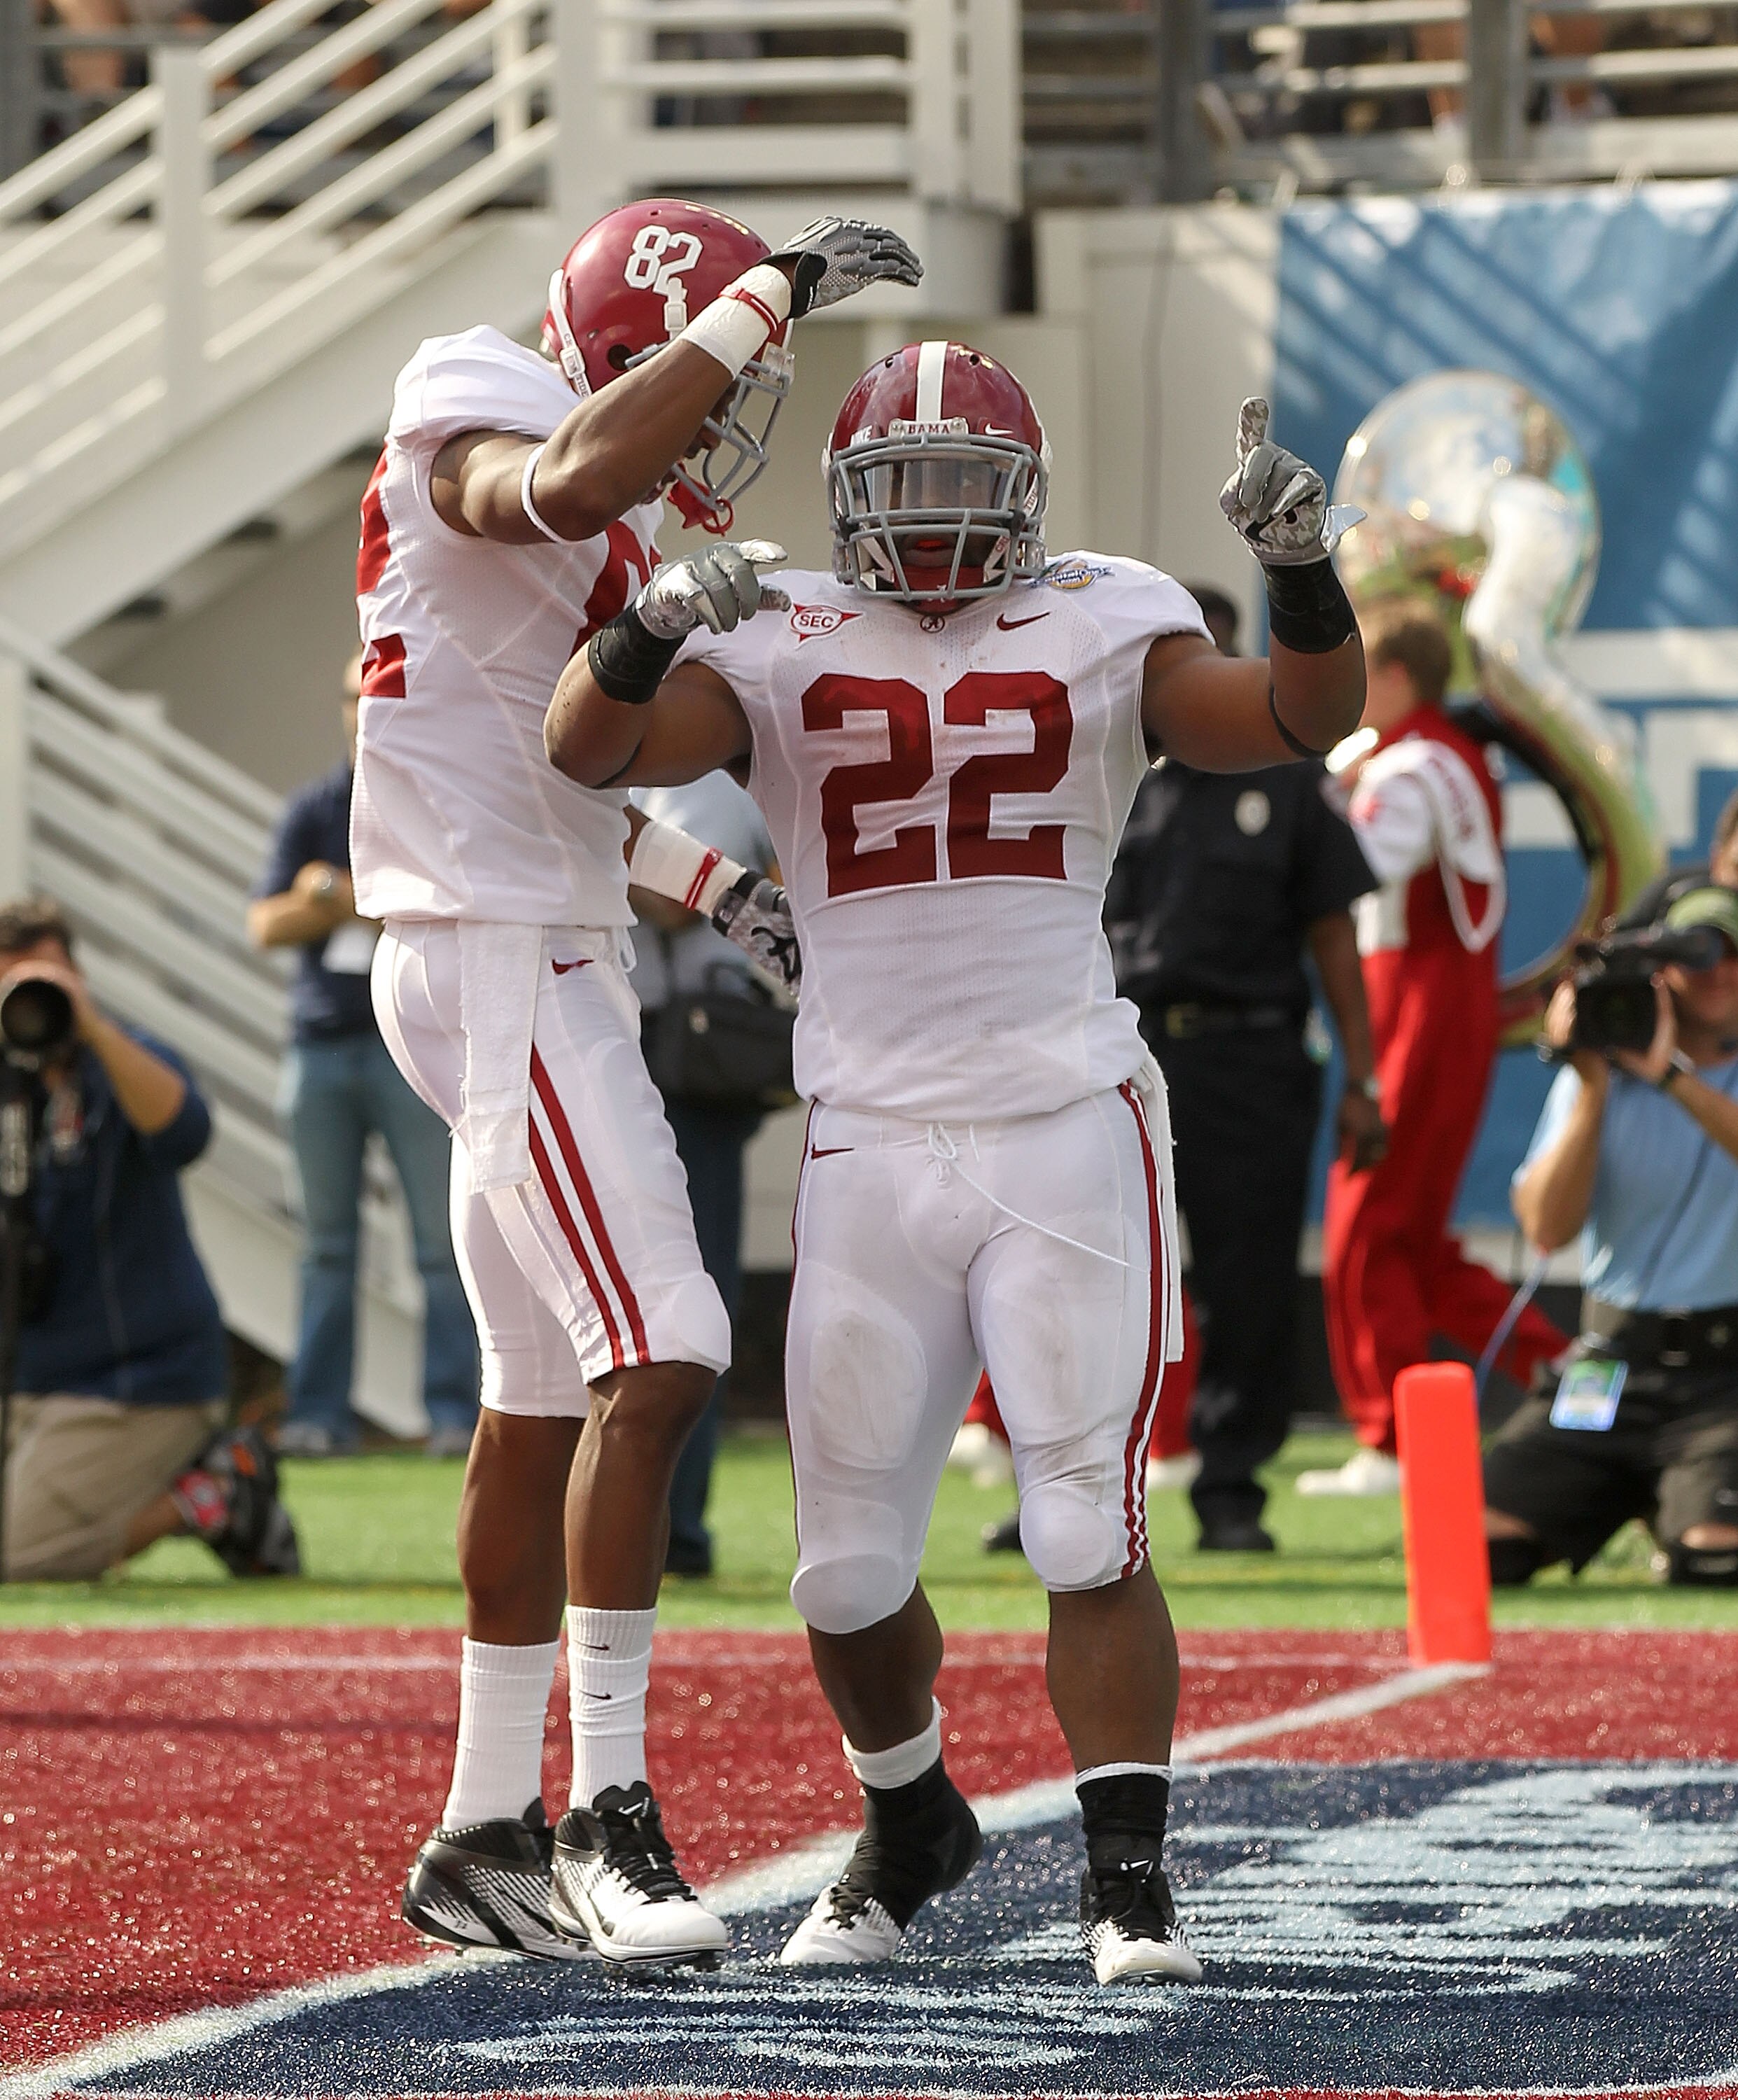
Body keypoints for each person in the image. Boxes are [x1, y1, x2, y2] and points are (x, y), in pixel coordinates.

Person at [545, 352, 1366, 1984]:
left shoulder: (1103, 608)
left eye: (960, 485)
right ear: (847, 501)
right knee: (842, 1572)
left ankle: (1125, 1878)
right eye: (897, 485)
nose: (927, 523)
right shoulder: (773, 625)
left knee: (1080, 1527)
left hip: (1061, 1117)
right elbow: (591, 750)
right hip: (863, 1133)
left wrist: (1299, 574)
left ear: (1025, 495)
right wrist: (641, 621)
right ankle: (910, 1812)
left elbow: (1292, 717)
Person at [358, 197, 920, 1968]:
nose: (717, 421)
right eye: (698, 360)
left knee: (538, 1397)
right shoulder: (474, 388)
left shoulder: (589, 483)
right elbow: (577, 477)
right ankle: (605, 1807)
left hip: (527, 925)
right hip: (495, 948)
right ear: (617, 333)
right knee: (667, 1342)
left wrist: (727, 889)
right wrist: (765, 298)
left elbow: (548, 764)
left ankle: (478, 1826)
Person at [1104, 580, 1382, 1551]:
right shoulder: (1107, 772)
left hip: (1249, 1055)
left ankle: (1229, 1491)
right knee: (1091, 1279)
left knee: (1246, 1282)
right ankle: (1073, 1489)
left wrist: (1362, 1075)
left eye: (1207, 657)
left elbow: (1335, 937)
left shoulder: (1292, 782)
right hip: (1124, 1054)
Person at [1306, 603, 1567, 1496]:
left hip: (1414, 1013)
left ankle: (1390, 1439)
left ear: (1395, 676)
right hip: (1425, 1012)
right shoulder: (1431, 757)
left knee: (1366, 1226)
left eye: (1357, 671)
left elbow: (1363, 868)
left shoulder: (1411, 764)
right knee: (1412, 1241)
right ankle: (1562, 1372)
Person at [0, 897, 299, 1581]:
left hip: (137, 1384)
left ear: (77, 978)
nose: (27, 1001)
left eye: (42, 981)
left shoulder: (124, 1060)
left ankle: (216, 1493)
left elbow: (185, 1133)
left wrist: (89, 1027)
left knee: (14, 1558)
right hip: (26, 1381)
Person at [248, 656, 479, 1458]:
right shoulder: (312, 808)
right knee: (325, 1247)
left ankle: (454, 1417)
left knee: (437, 1244)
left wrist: (333, 897)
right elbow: (266, 925)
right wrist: (339, 901)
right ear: (340, 706)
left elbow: (446, 907)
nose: (363, 711)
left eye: (377, 695)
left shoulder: (425, 795)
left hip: (409, 1047)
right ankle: (317, 1419)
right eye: (354, 697)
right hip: (320, 1051)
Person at [1491, 886, 1738, 1588]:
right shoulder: (1591, 1078)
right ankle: (1639, 1496)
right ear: (1660, 971)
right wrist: (1594, 1089)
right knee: (1476, 1548)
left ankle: (1674, 1512)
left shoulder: (1675, 1077)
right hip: (1610, 1365)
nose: (1717, 972)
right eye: (1696, 956)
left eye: (1731, 954)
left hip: (1723, 1379)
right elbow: (1545, 1227)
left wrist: (1668, 1077)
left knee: (1715, 1557)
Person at [629, 771, 780, 1577]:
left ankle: (673, 1530)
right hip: (645, 1050)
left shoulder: (698, 770)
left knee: (683, 1301)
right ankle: (655, 1527)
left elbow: (673, 891)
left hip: (676, 1059)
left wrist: (570, 837)